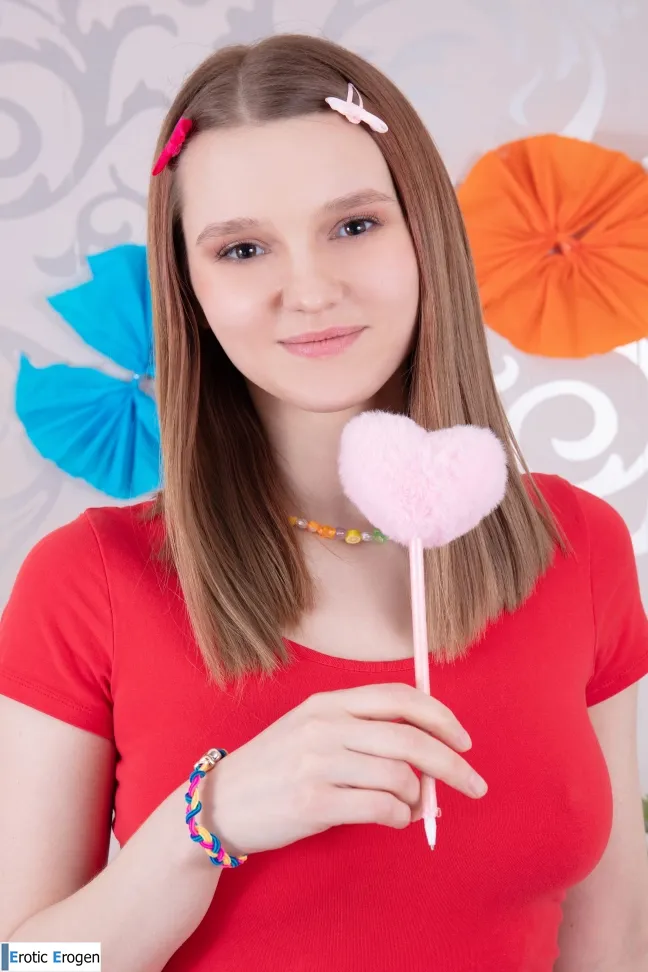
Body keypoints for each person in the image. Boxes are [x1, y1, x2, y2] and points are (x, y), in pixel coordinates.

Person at [1, 33, 647, 972]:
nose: (309, 291)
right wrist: (206, 823)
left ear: (425, 232)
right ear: (189, 286)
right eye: (243, 248)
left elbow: (615, 939)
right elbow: (29, 966)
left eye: (353, 227)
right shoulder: (88, 579)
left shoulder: (578, 544)